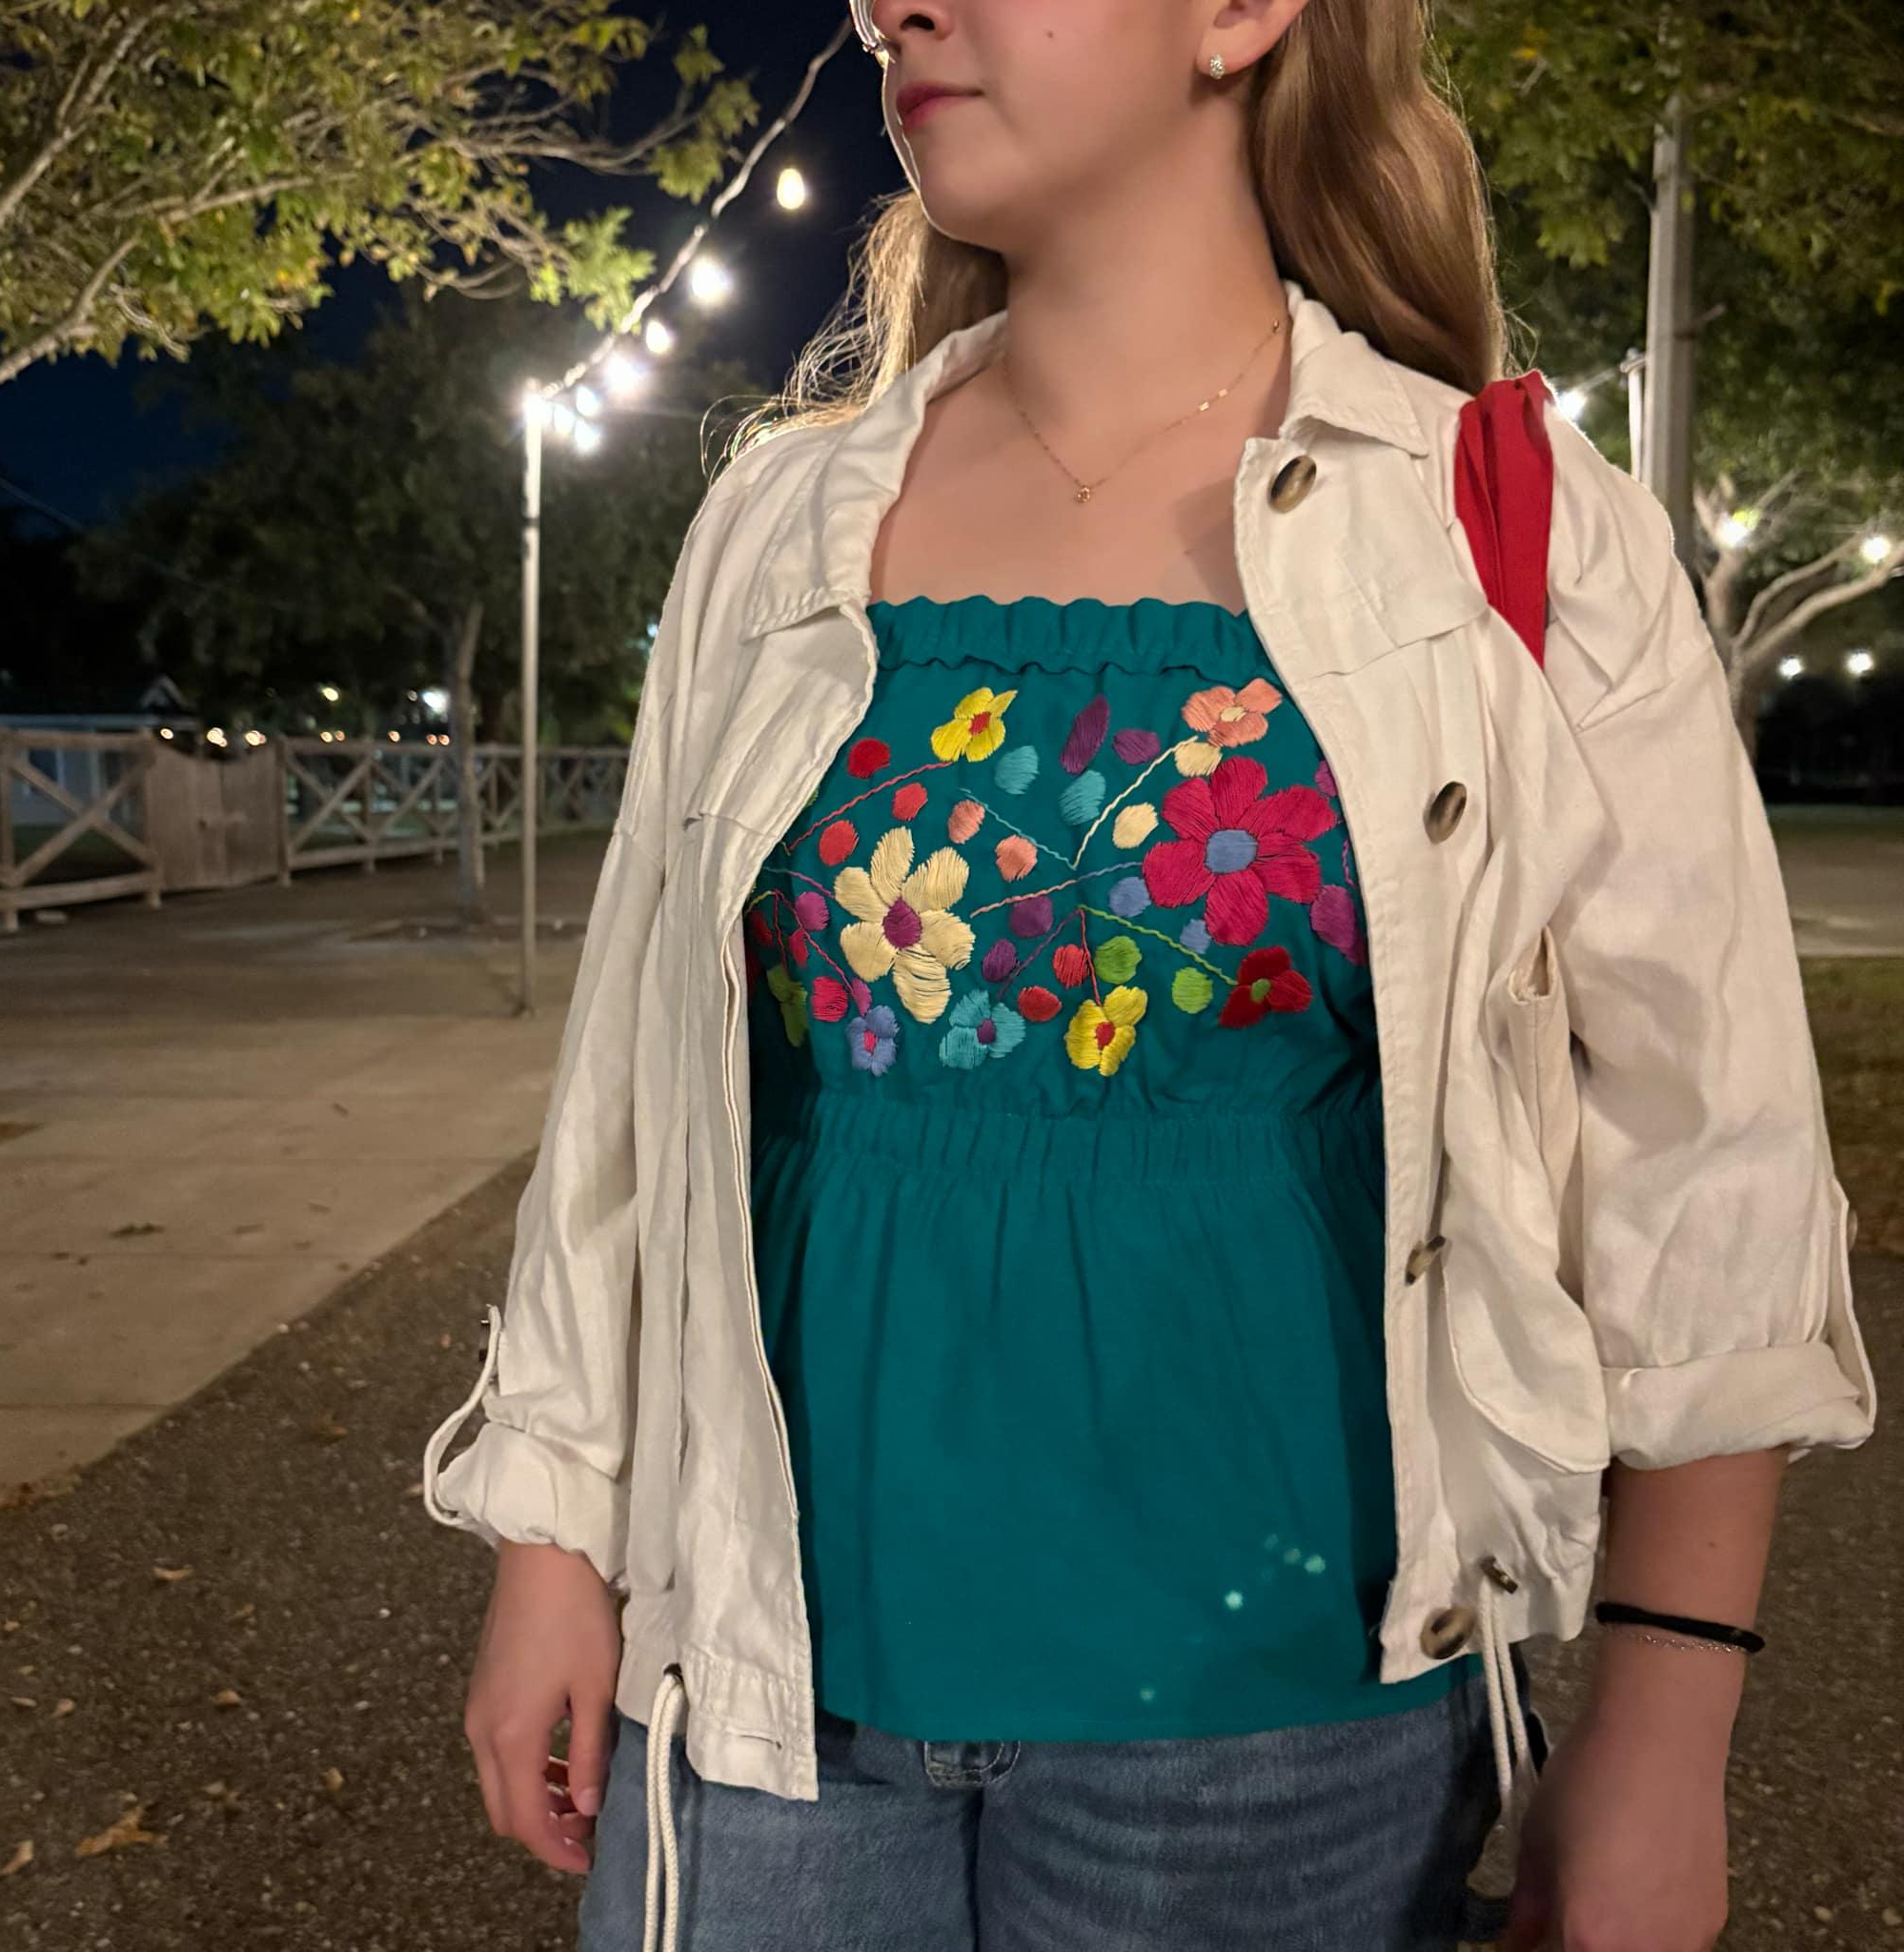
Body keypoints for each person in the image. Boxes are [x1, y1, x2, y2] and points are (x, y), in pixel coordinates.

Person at [421, 1, 1879, 1948]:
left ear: (1240, 15)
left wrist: (1662, 1729)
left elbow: (1710, 1169)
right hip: (773, 1713)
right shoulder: (782, 521)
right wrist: (550, 1538)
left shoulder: (1508, 536)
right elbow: (631, 1095)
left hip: (1273, 1747)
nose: (887, 6)